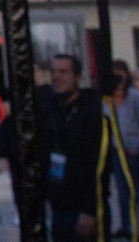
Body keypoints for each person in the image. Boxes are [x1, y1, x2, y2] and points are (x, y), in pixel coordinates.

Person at [38, 55, 99, 242]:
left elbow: (97, 166)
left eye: (63, 71)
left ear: (77, 76)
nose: (56, 76)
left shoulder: (90, 112)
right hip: (58, 203)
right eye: (53, 72)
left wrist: (90, 210)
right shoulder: (50, 109)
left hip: (82, 205)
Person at [109, 62, 139, 241]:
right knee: (122, 191)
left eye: (121, 74)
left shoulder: (136, 96)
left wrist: (137, 145)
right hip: (116, 150)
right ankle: (126, 226)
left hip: (135, 150)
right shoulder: (108, 97)